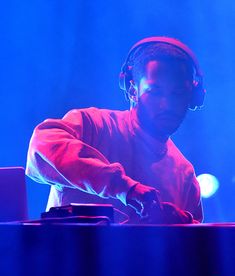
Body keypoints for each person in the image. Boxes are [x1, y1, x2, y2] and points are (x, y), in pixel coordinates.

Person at [26, 36, 205, 224]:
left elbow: (196, 247)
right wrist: (126, 188)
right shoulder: (93, 126)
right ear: (132, 88)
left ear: (192, 97)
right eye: (155, 91)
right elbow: (41, 145)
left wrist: (181, 224)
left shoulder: (184, 175)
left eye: (177, 94)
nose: (167, 104)